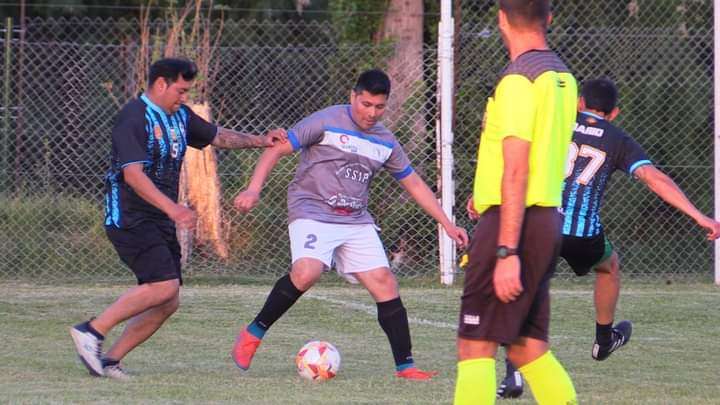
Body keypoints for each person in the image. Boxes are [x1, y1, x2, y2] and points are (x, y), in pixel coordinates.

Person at [231, 69, 469, 381]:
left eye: (379, 107)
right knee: (307, 271)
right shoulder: (325, 120)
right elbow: (276, 148)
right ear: (353, 97)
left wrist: (447, 225)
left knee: (384, 281)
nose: (371, 113)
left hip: (355, 218)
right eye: (366, 104)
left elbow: (414, 184)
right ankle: (253, 333)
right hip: (312, 208)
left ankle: (405, 367)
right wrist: (253, 188)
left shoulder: (385, 141)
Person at [494, 77, 720, 399]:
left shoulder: (557, 121)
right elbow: (652, 177)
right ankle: (603, 339)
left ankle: (512, 373)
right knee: (609, 265)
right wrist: (699, 216)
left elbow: (516, 159)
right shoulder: (617, 139)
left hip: (542, 223)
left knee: (523, 286)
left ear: (579, 103)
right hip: (584, 234)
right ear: (614, 113)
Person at [70, 57, 286, 380]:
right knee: (163, 285)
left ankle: (110, 360)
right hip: (129, 216)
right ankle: (92, 330)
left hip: (159, 220)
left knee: (168, 300)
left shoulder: (180, 116)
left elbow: (217, 136)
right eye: (181, 90)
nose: (184, 97)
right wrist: (174, 209)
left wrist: (259, 140)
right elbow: (133, 176)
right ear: (161, 84)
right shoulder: (133, 118)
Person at [454, 1, 579, 404]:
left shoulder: (517, 80)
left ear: (502, 19)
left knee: (475, 345)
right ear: (549, 19)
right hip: (545, 220)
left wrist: (506, 250)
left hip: (515, 223)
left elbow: (517, 169)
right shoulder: (563, 77)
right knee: (527, 348)